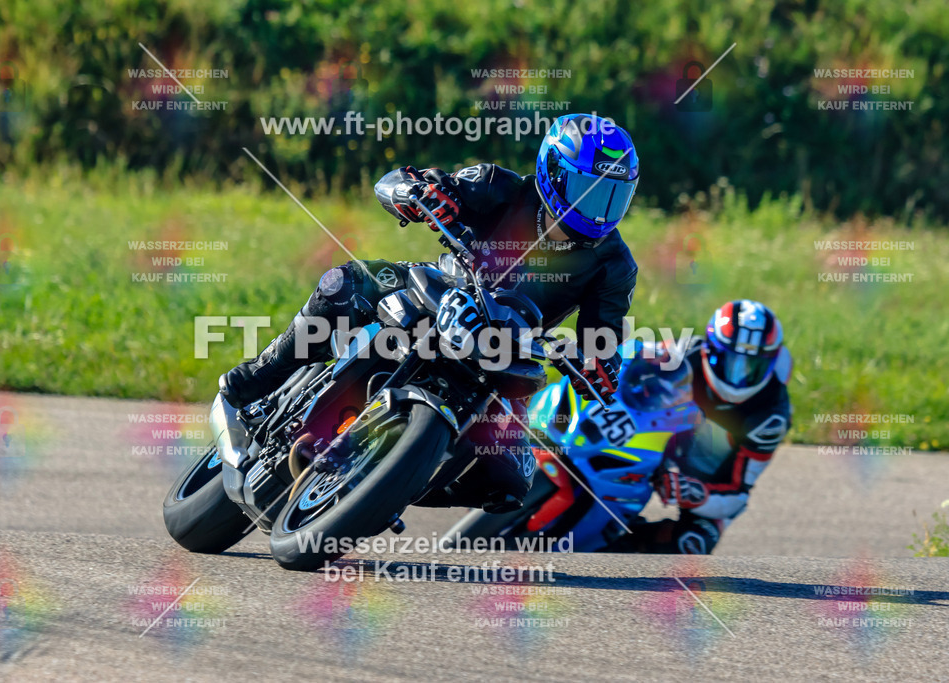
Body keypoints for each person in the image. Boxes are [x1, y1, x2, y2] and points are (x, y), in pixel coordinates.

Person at [220, 113, 641, 512]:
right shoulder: (500, 186)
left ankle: (395, 481)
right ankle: (255, 378)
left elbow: (601, 336)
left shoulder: (614, 264)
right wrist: (417, 194)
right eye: (590, 191)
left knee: (509, 479)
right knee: (344, 286)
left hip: (507, 345)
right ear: (554, 172)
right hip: (439, 290)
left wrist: (599, 363)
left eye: (612, 196)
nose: (598, 210)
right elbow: (399, 182)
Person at [617, 300, 792, 554]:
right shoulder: (683, 353)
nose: (738, 376)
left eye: (751, 367)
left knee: (691, 544)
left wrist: (695, 492)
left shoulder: (770, 417)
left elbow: (738, 494)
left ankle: (616, 553)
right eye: (729, 361)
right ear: (709, 350)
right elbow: (628, 362)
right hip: (667, 446)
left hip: (713, 484)